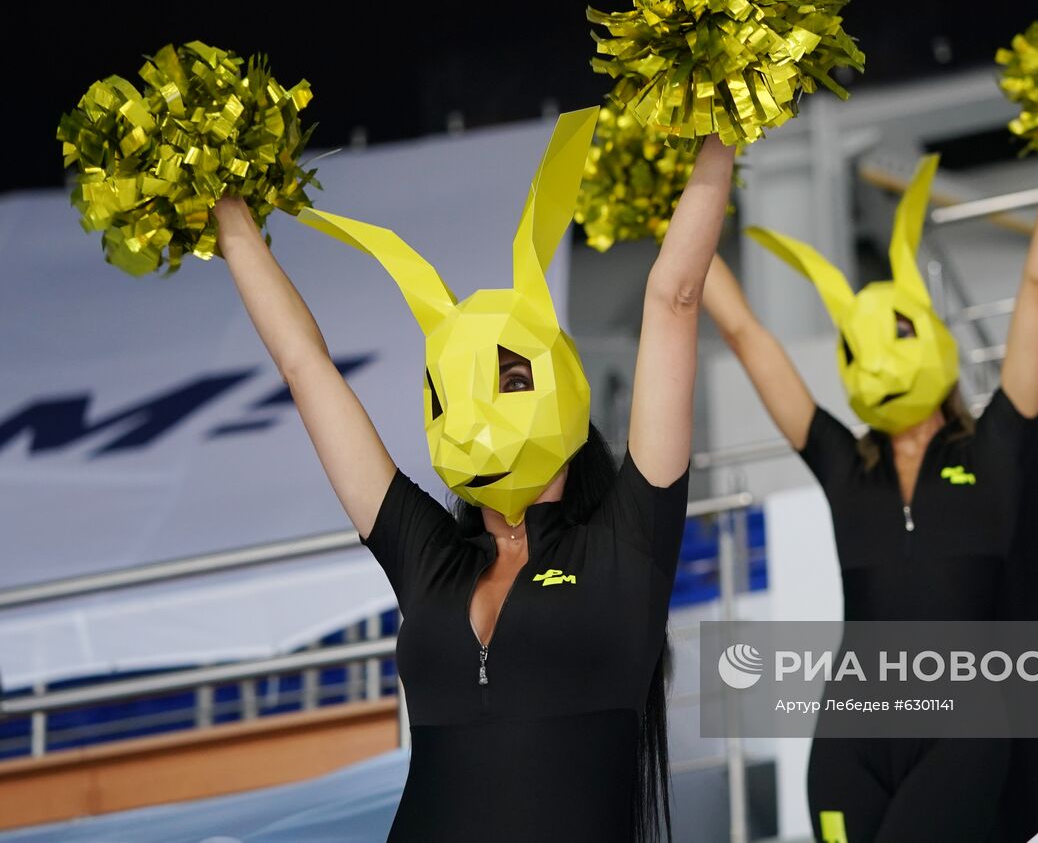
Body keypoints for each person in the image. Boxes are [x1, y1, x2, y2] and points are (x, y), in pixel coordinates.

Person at [215, 108, 735, 841]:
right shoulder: (430, 558)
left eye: (509, 380)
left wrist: (730, 117)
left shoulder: (627, 540)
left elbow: (674, 298)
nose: (475, 416)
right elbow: (306, 370)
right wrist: (222, 204)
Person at [702, 155, 1038, 841]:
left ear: (931, 335)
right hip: (850, 738)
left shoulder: (992, 449)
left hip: (959, 731)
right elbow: (745, 335)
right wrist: (685, 200)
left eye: (896, 332)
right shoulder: (845, 464)